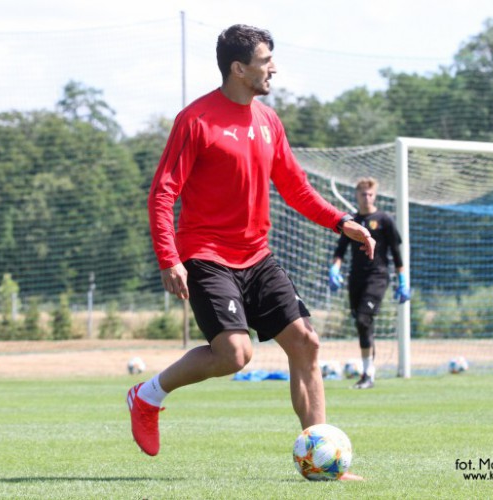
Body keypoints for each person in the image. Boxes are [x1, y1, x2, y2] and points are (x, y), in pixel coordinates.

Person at [128, 24, 374, 480]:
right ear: (238, 69)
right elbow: (163, 193)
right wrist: (169, 258)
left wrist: (340, 221)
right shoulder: (195, 120)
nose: (273, 68)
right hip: (205, 254)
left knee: (306, 342)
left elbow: (296, 188)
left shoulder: (268, 121)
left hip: (257, 256)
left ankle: (323, 463)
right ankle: (147, 396)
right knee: (235, 355)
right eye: (265, 61)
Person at [329, 177, 410, 389]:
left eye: (371, 194)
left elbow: (396, 252)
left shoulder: (384, 219)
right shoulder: (352, 221)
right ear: (357, 195)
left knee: (364, 320)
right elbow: (340, 250)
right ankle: (367, 374)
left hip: (378, 277)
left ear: (375, 195)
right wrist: (334, 269)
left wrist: (402, 280)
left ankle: (368, 375)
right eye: (363, 194)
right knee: (362, 324)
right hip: (356, 278)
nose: (367, 198)